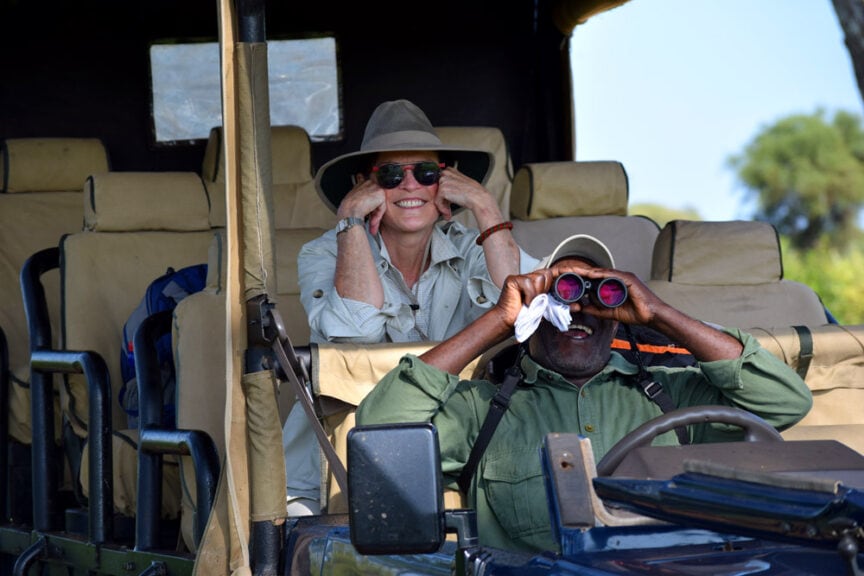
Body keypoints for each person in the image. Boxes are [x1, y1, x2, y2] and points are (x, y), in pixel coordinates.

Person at [355, 233, 813, 552]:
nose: (578, 309)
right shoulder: (483, 410)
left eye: (598, 295)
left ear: (618, 314)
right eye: (561, 293)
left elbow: (786, 402)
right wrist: (499, 320)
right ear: (533, 313)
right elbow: (380, 428)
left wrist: (657, 313)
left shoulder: (669, 396)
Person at [284, 99, 539, 514]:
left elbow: (523, 311)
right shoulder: (324, 253)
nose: (409, 186)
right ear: (362, 184)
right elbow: (354, 334)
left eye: (425, 173)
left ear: (446, 182)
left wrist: (484, 205)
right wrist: (350, 217)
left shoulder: (474, 244)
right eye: (389, 175)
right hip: (333, 462)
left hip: (459, 452)